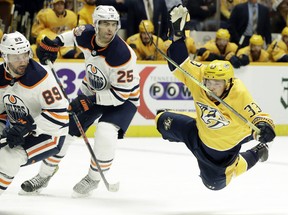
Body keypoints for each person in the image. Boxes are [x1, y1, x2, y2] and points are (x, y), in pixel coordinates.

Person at [20, 5, 140, 197]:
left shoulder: (122, 55)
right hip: (92, 91)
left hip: (123, 100)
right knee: (64, 131)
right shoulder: (86, 33)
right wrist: (55, 42)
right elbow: (71, 37)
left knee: (105, 132)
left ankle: (93, 178)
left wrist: (88, 101)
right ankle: (44, 175)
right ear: (96, 24)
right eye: (105, 24)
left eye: (113, 24)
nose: (110, 29)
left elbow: (120, 95)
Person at [156, 5, 276, 191]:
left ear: (228, 83)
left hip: (222, 148)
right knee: (160, 121)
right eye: (209, 82)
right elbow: (180, 64)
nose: (211, 87)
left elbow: (259, 117)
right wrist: (178, 35)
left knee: (214, 184)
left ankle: (257, 153)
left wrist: (265, 128)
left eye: (217, 84)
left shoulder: (239, 93)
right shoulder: (202, 77)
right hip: (198, 132)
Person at [0, 31, 69, 195]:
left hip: (50, 135)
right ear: (5, 57)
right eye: (16, 57)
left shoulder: (40, 77)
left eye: (25, 55)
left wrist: (26, 127)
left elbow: (60, 116)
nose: (22, 61)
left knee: (8, 158)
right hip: (20, 130)